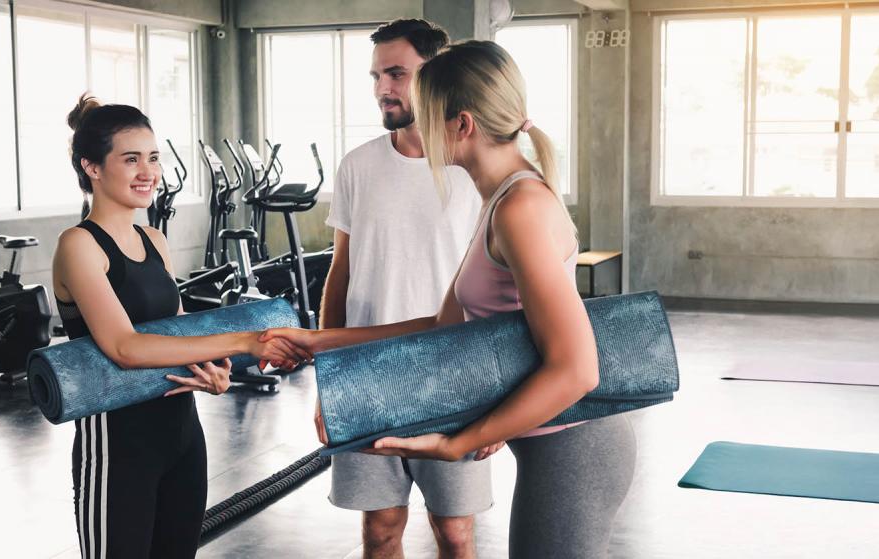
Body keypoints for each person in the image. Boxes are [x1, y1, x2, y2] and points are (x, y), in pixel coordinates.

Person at [266, 41, 637, 558]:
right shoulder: (499, 199)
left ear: (461, 126)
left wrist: (459, 443)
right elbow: (442, 328)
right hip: (552, 445)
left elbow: (577, 371)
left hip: (574, 445)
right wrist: (318, 339)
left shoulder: (519, 207)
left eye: (427, 114)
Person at [52, 95, 308, 559]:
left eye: (153, 157)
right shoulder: (78, 245)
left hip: (182, 436)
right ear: (91, 167)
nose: (148, 171)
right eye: (131, 159)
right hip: (117, 448)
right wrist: (246, 340)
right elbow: (124, 346)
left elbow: (180, 330)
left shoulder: (153, 239)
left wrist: (215, 368)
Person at [316, 19, 488, 559]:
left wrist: (498, 393)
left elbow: (500, 290)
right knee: (381, 530)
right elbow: (340, 273)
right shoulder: (357, 166)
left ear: (435, 77)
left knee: (456, 534)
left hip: (453, 376)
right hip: (367, 374)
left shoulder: (471, 168)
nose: (382, 88)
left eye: (397, 73)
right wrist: (330, 378)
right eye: (375, 76)